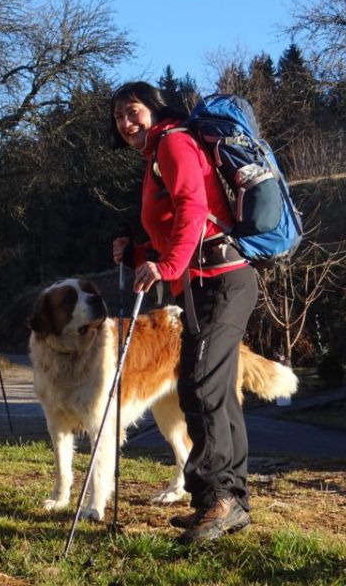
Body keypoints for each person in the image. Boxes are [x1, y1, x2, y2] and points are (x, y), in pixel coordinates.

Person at [109, 81, 259, 545]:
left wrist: (168, 265)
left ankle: (219, 498)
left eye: (132, 111)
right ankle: (226, 500)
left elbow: (193, 208)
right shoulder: (158, 152)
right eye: (118, 117)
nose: (125, 122)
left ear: (155, 110)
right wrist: (140, 253)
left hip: (221, 280)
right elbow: (176, 222)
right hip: (206, 282)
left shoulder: (173, 143)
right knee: (214, 391)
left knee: (200, 386)